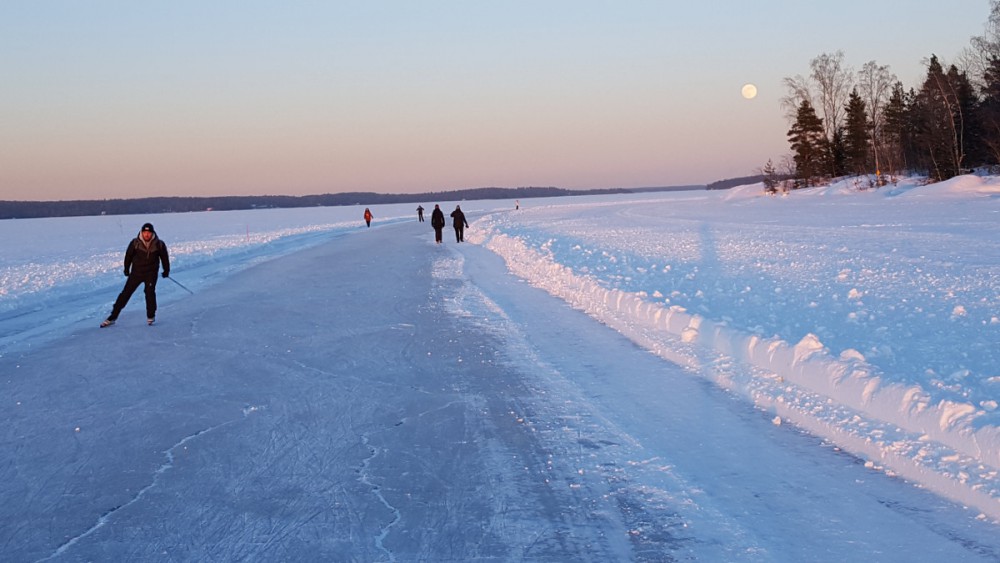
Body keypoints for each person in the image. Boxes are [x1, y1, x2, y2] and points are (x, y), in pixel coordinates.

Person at [101, 222, 170, 327]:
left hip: (151, 273)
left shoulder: (159, 244)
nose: (147, 235)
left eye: (149, 233)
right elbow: (128, 256)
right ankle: (113, 316)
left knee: (149, 293)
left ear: (152, 233)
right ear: (141, 232)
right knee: (126, 293)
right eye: (145, 232)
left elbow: (164, 258)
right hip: (136, 273)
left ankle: (151, 316)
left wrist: (166, 270)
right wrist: (126, 268)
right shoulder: (135, 243)